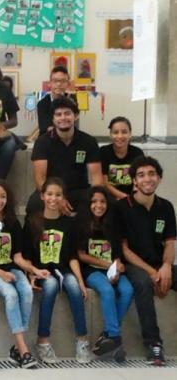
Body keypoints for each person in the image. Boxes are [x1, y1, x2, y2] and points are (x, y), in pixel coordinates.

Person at [110, 156, 177, 365]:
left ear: (159, 178)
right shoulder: (121, 207)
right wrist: (152, 272)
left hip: (160, 263)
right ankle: (153, 344)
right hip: (134, 265)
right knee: (143, 283)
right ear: (134, 181)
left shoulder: (166, 207)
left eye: (151, 174)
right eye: (141, 175)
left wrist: (166, 266)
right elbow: (124, 249)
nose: (147, 179)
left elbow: (169, 243)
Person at [22, 177, 91, 364]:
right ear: (42, 196)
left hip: (63, 270)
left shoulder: (68, 224)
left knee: (74, 288)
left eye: (58, 195)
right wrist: (31, 274)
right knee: (51, 286)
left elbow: (72, 257)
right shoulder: (33, 221)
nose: (53, 198)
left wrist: (81, 281)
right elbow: (27, 254)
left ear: (63, 198)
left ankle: (82, 341)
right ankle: (42, 341)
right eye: (50, 194)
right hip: (41, 271)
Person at [0, 180, 39, 368]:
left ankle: (17, 349)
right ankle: (23, 349)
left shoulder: (11, 222)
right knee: (11, 295)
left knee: (26, 291)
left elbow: (17, 257)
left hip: (12, 269)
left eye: (2, 197)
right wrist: (1, 274)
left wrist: (33, 270)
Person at [77, 186, 132, 361]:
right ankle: (115, 337)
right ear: (88, 204)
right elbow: (81, 255)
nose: (98, 205)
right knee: (107, 291)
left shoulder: (113, 224)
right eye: (94, 202)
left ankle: (107, 334)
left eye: (102, 201)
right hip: (92, 271)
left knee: (128, 290)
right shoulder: (82, 223)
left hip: (112, 270)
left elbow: (118, 253)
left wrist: (117, 265)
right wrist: (107, 264)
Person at [26, 97, 103, 216]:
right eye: (58, 114)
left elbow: (96, 177)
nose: (63, 118)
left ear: (76, 116)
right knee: (34, 204)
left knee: (99, 204)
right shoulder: (42, 142)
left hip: (79, 190)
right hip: (51, 190)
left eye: (67, 113)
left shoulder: (89, 141)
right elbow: (40, 179)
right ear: (53, 118)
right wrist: (56, 197)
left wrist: (97, 197)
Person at [100, 116, 143, 200]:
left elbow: (138, 180)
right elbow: (104, 182)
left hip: (132, 197)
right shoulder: (103, 152)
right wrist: (124, 197)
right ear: (110, 135)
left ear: (130, 134)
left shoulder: (137, 153)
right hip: (110, 198)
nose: (120, 136)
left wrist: (133, 198)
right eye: (115, 132)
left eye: (124, 132)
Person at [37, 66, 77, 135]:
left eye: (63, 81)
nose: (59, 84)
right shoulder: (42, 103)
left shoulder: (72, 100)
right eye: (55, 81)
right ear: (49, 84)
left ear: (68, 84)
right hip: (48, 138)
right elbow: (45, 128)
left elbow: (74, 123)